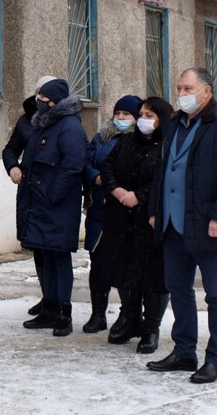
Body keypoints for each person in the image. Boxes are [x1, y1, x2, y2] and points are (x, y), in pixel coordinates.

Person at [146, 68, 217, 383]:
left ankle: (215, 360)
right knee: (178, 290)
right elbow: (162, 171)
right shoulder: (173, 124)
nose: (181, 94)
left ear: (206, 91)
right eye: (179, 88)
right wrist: (155, 209)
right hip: (172, 225)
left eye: (188, 88)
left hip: (209, 225)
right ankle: (184, 351)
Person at [99, 96, 173, 353]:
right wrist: (118, 191)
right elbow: (107, 167)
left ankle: (151, 327)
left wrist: (139, 196)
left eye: (149, 116)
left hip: (150, 218)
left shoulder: (169, 145)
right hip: (120, 216)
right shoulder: (127, 141)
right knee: (123, 269)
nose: (143, 120)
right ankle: (130, 318)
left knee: (153, 274)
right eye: (141, 114)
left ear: (162, 119)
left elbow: (167, 179)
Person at [20, 78, 86, 336]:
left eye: (44, 98)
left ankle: (63, 314)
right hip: (40, 203)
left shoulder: (69, 126)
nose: (39, 101)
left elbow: (73, 165)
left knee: (59, 257)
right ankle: (49, 309)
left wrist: (51, 196)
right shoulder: (44, 123)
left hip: (57, 205)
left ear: (56, 101)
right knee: (46, 256)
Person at [81, 94, 142, 334]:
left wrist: (115, 185)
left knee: (125, 265)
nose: (121, 118)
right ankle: (98, 314)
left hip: (126, 210)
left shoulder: (141, 140)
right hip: (100, 208)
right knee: (98, 263)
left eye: (126, 114)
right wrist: (95, 177)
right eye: (118, 113)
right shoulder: (102, 137)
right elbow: (86, 162)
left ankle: (128, 315)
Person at [2, 74, 56, 317]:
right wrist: (13, 166)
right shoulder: (25, 120)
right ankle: (47, 298)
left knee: (54, 248)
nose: (42, 98)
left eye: (47, 94)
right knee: (36, 245)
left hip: (53, 192)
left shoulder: (65, 121)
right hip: (30, 191)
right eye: (39, 92)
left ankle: (57, 302)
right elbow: (10, 149)